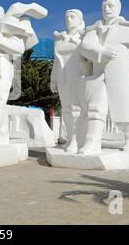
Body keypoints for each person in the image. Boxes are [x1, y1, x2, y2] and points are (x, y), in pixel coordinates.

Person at [79, 0, 129, 153]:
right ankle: (92, 141)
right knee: (96, 108)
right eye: (104, 6)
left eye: (110, 6)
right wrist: (100, 53)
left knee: (126, 106)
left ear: (119, 9)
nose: (107, 9)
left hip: (121, 75)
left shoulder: (128, 28)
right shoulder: (93, 29)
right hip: (98, 75)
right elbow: (85, 47)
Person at [0, 3, 47, 144]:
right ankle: (2, 135)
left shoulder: (10, 31)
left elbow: (19, 49)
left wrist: (1, 40)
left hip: (1, 66)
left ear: (2, 15)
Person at [50, 9, 92, 153]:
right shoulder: (61, 39)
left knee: (77, 109)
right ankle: (70, 138)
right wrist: (53, 79)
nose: (68, 19)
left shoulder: (84, 37)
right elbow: (56, 61)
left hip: (79, 76)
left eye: (72, 17)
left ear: (80, 20)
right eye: (66, 17)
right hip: (63, 78)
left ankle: (77, 140)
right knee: (66, 110)